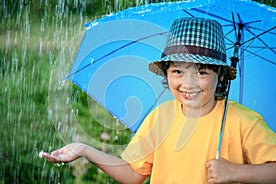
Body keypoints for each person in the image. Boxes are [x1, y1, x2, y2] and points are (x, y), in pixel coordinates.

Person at [42, 17, 276, 183]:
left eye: (202, 72)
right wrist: (84, 149)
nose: (189, 83)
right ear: (165, 73)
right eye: (177, 72)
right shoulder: (162, 117)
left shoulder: (244, 121)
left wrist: (236, 172)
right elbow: (133, 173)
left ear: (222, 75)